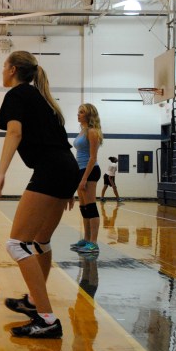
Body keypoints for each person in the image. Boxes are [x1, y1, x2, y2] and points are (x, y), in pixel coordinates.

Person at [0, 50, 80, 339]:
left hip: (52, 169)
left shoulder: (17, 94)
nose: (2, 72)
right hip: (66, 168)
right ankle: (32, 301)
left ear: (13, 69)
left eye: (4, 67)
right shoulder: (41, 98)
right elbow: (60, 141)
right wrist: (68, 185)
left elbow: (14, 134)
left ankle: (47, 318)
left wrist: (0, 173)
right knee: (41, 241)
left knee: (17, 244)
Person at [70, 104, 103, 255]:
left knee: (90, 206)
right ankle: (86, 238)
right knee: (83, 207)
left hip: (90, 171)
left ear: (89, 115)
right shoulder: (83, 130)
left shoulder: (92, 132)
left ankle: (93, 243)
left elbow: (93, 158)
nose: (78, 114)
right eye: (78, 112)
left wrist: (84, 179)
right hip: (81, 171)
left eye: (82, 112)